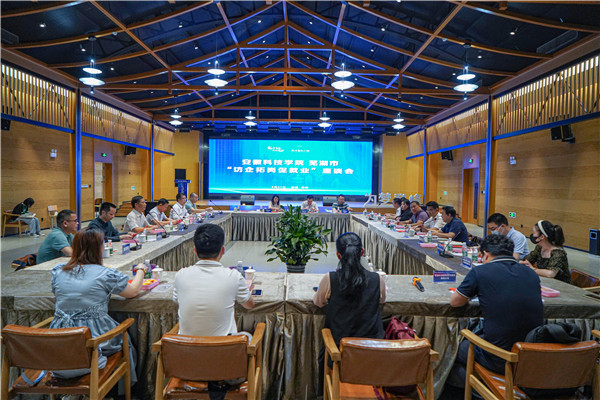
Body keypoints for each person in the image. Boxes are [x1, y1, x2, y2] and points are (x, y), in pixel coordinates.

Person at [48, 227, 146, 381]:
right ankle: (122, 388)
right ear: (99, 248)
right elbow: (132, 291)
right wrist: (141, 270)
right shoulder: (105, 274)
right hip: (94, 337)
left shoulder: (59, 272)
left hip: (59, 338)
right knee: (125, 342)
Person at [447, 234, 543, 389]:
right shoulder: (531, 273)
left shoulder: (480, 272)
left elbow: (455, 302)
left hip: (499, 357)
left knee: (455, 350)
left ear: (485, 254)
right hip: (532, 355)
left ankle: (480, 390)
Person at [173, 223, 255, 400]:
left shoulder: (181, 275)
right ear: (222, 250)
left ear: (195, 250)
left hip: (186, 364)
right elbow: (249, 305)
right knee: (248, 337)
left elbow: (176, 300)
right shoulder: (233, 276)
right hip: (224, 367)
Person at [314, 232, 385, 392]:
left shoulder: (330, 278)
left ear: (338, 255)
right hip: (373, 354)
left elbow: (318, 302)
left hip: (339, 354)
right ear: (362, 252)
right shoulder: (377, 279)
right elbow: (381, 300)